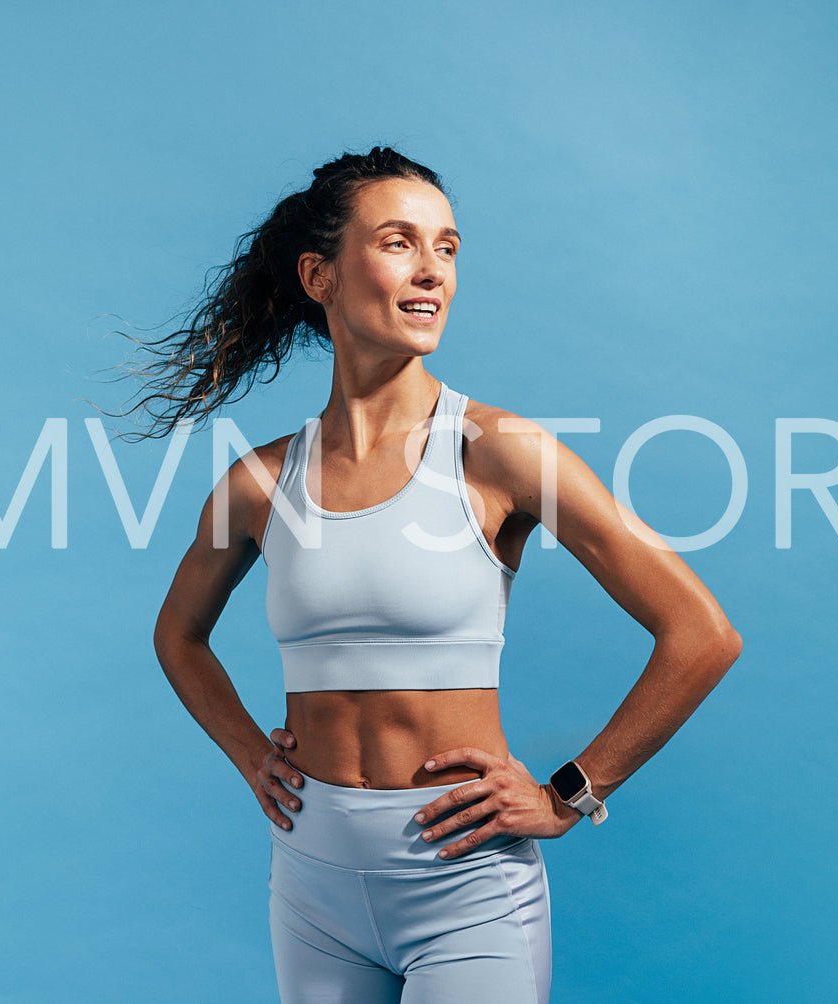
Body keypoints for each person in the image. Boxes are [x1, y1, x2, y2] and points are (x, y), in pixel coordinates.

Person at [140, 146, 742, 1002]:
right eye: (398, 242)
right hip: (310, 881)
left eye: (447, 248)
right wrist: (249, 754)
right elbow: (178, 636)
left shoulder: (499, 456)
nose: (432, 272)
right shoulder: (259, 483)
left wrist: (569, 794)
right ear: (319, 275)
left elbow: (701, 634)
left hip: (464, 887)